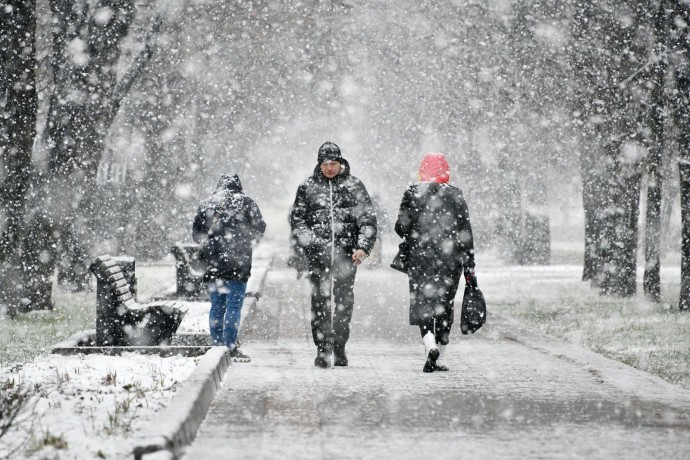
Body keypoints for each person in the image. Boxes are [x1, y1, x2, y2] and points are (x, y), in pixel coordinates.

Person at [290, 141, 377, 368]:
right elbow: (298, 221)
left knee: (343, 304)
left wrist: (363, 247)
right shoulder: (307, 187)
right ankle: (322, 349)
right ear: (319, 164)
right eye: (326, 164)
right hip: (317, 258)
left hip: (346, 258)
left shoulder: (354, 186)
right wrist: (310, 243)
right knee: (319, 304)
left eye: (333, 163)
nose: (330, 168)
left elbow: (367, 220)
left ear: (341, 163)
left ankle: (339, 346)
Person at [394, 152, 477, 373]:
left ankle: (429, 344)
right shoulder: (456, 195)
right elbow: (465, 232)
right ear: (446, 172)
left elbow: (400, 227)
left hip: (420, 259)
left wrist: (416, 230)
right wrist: (470, 266)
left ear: (422, 172)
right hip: (450, 261)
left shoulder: (413, 193)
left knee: (423, 305)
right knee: (444, 306)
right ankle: (441, 357)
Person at [192, 173, 266, 362]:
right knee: (234, 305)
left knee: (217, 305)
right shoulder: (247, 203)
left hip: (214, 265)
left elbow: (197, 234)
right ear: (238, 186)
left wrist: (212, 246)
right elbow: (260, 228)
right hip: (238, 264)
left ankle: (217, 345)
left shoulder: (208, 203)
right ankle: (231, 346)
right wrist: (245, 242)